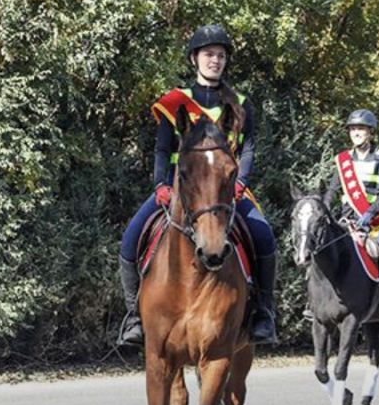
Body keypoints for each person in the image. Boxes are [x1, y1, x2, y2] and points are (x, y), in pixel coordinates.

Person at [118, 24, 278, 346]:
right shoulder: (175, 102)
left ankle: (263, 312)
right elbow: (163, 149)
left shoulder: (242, 104)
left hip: (225, 191)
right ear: (195, 59)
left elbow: (248, 148)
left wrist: (241, 183)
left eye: (220, 55)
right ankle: (134, 316)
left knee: (263, 235)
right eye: (208, 54)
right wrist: (161, 185)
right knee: (130, 237)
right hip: (180, 190)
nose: (214, 60)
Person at [323, 109, 379, 321]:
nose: (356, 133)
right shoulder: (343, 160)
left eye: (360, 129)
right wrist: (324, 209)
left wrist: (369, 213)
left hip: (375, 221)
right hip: (346, 220)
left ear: (370, 132)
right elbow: (333, 190)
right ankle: (315, 302)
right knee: (322, 248)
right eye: (353, 129)